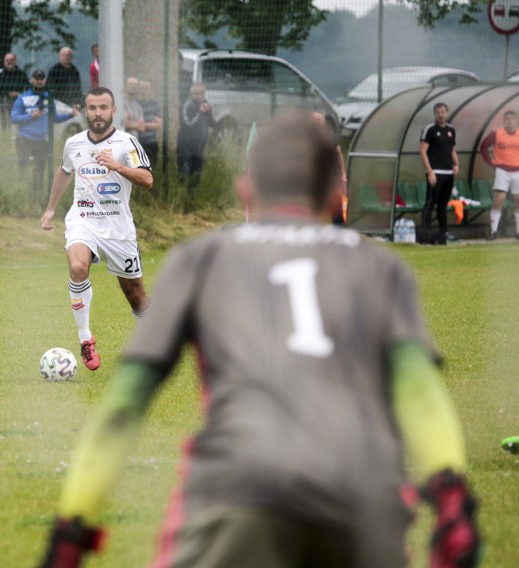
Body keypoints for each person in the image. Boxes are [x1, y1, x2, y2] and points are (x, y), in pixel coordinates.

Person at [39, 111, 481, 568]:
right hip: (363, 491)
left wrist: (73, 524)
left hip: (240, 487)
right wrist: (452, 500)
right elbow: (420, 394)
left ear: (246, 192)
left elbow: (124, 403)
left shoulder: (203, 259)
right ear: (334, 195)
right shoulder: (383, 270)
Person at [39, 86, 153, 371]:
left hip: (117, 228)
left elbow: (147, 179)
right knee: (78, 268)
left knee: (135, 295)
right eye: (93, 108)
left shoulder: (127, 143)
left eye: (104, 108)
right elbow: (65, 172)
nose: (98, 113)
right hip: (83, 220)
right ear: (85, 111)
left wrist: (117, 166)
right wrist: (51, 208)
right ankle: (85, 339)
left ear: (113, 111)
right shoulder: (74, 144)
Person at [11, 70, 77, 193]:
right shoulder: (23, 98)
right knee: (22, 166)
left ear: (45, 80)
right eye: (37, 78)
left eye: (41, 78)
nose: (39, 80)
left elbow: (54, 118)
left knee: (40, 168)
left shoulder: (49, 97)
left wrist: (70, 114)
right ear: (32, 80)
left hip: (41, 140)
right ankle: (20, 190)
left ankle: (37, 193)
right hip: (24, 138)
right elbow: (14, 118)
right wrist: (31, 116)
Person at [420, 102, 459, 240]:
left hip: (448, 173)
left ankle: (444, 232)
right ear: (435, 114)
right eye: (438, 112)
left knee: (443, 205)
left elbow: (452, 149)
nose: (441, 115)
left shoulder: (451, 130)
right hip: (435, 172)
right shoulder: (429, 129)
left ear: (447, 113)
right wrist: (430, 172)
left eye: (443, 112)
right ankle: (425, 233)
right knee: (430, 202)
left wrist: (456, 164)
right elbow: (423, 151)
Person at [478, 109, 519, 240]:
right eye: (507, 119)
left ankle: (518, 232)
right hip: (502, 170)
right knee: (498, 200)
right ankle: (494, 232)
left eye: (512, 119)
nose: (510, 121)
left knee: (518, 201)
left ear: (516, 121)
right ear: (504, 121)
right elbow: (483, 146)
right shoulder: (496, 133)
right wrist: (489, 161)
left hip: (517, 171)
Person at [177, 82, 217, 191]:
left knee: (196, 176)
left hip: (199, 148)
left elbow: (211, 122)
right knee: (183, 175)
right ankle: (180, 199)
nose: (199, 96)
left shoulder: (206, 104)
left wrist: (220, 123)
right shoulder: (187, 105)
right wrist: (200, 112)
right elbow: (188, 124)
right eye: (197, 93)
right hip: (186, 147)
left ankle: (193, 201)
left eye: (202, 93)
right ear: (191, 93)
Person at [312, 111, 348, 225]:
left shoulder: (330, 135)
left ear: (324, 122)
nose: (317, 122)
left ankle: (338, 226)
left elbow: (338, 154)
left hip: (330, 176)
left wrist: (343, 173)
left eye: (319, 120)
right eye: (314, 120)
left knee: (338, 202)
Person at [0, 53, 29, 129]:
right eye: (7, 60)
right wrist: (8, 93)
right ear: (4, 62)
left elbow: (27, 89)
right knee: (6, 124)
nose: (9, 62)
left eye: (11, 60)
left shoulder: (22, 75)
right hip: (4, 103)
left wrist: (18, 94)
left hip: (20, 103)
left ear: (15, 61)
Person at [138, 79, 163, 168]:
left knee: (152, 169)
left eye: (146, 88)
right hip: (137, 142)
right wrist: (151, 123)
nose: (143, 91)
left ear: (150, 90)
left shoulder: (155, 103)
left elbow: (159, 126)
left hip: (151, 142)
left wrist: (142, 124)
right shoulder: (135, 103)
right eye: (141, 88)